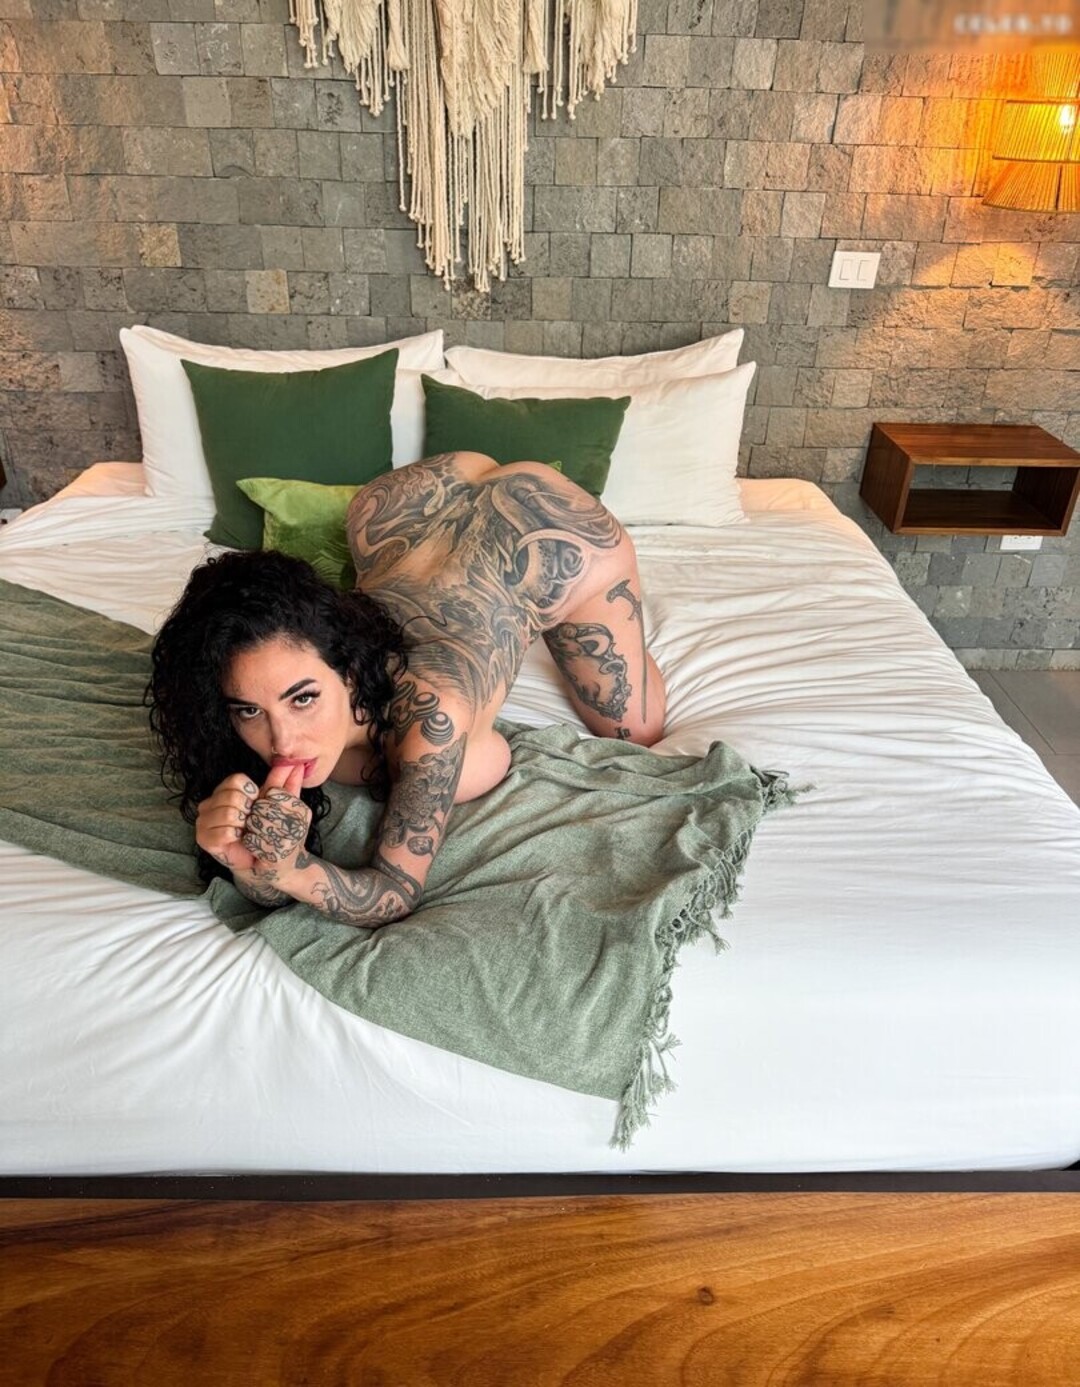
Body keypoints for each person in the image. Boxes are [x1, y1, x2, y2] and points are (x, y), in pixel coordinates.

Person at [148, 450, 666, 928]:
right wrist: (244, 861)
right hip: (399, 507)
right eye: (248, 710)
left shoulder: (431, 717)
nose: (282, 740)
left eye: (303, 698)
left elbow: (394, 893)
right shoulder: (252, 715)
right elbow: (260, 873)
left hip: (555, 532)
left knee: (636, 728)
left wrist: (293, 871)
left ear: (350, 671)